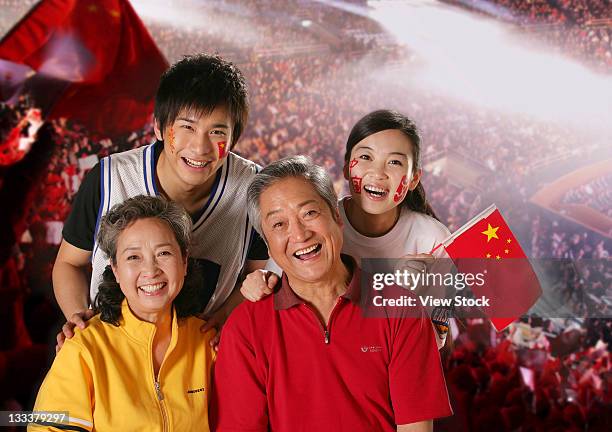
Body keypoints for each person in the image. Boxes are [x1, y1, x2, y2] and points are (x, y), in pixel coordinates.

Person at [212, 156, 452, 431]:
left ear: (337, 218)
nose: (300, 234)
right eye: (279, 224)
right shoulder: (246, 327)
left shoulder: (401, 310)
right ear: (267, 245)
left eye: (310, 213)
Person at [53, 54, 268, 348]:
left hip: (199, 358)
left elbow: (258, 273)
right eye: (187, 127)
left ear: (233, 140)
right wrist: (80, 319)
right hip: (114, 349)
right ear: (158, 127)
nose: (200, 147)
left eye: (217, 132)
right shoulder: (110, 177)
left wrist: (226, 314)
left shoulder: (254, 187)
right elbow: (68, 263)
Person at [241, 110, 452, 347]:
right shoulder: (318, 223)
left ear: (413, 179)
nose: (377, 173)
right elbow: (277, 290)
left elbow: (436, 342)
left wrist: (409, 299)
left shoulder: (435, 239)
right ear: (345, 168)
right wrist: (259, 283)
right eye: (365, 157)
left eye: (394, 162)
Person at [29, 195, 216, 431]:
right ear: (115, 270)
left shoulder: (209, 342)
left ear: (184, 261)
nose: (150, 270)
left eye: (164, 253)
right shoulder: (85, 347)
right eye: (133, 257)